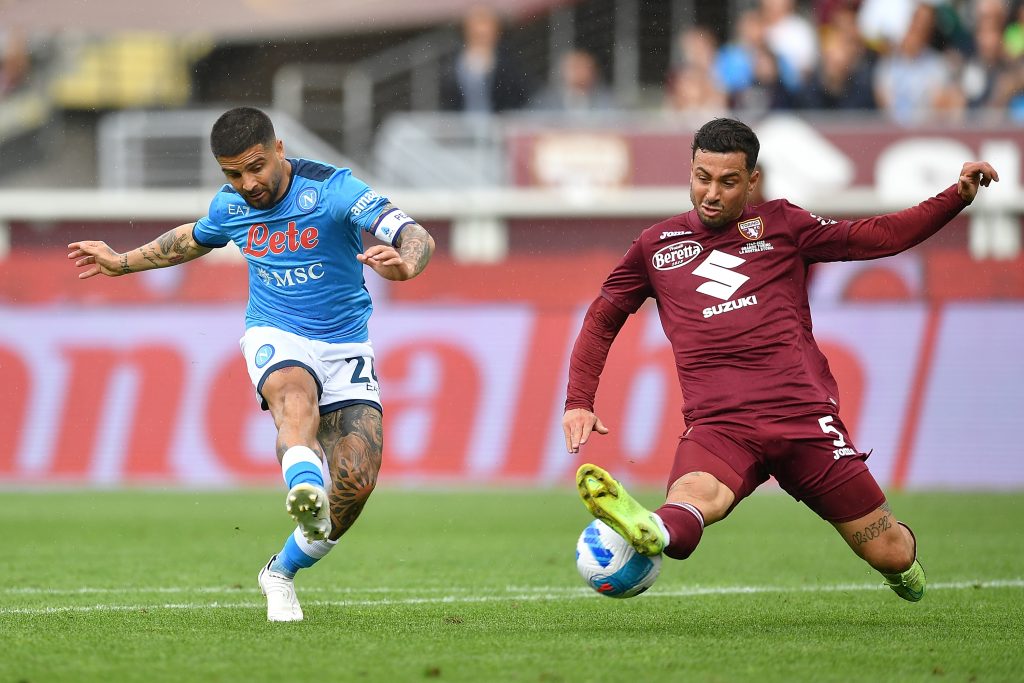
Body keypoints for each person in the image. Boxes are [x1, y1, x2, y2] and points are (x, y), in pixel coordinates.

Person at [562, 117, 998, 602]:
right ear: (689, 171)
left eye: (728, 182)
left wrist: (955, 196)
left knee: (891, 552)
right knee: (692, 501)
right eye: (702, 177)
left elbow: (880, 236)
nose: (711, 193)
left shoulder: (784, 225)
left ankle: (901, 567)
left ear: (752, 181)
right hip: (721, 425)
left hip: (803, 421)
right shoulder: (655, 246)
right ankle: (654, 532)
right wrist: (579, 400)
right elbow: (602, 319)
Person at [67, 107, 435, 622]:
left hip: (345, 344)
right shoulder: (232, 206)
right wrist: (121, 261)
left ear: (279, 149)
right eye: (233, 174)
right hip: (275, 332)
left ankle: (279, 571)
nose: (247, 183)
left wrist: (406, 262)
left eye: (255, 167)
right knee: (293, 396)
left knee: (356, 481)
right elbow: (191, 239)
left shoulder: (335, 190)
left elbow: (415, 235)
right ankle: (302, 484)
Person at [439, 4, 529, 113]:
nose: (482, 35)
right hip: (462, 123)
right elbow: (449, 97)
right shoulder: (455, 60)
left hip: (499, 122)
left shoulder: (507, 60)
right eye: (477, 31)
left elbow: (517, 94)